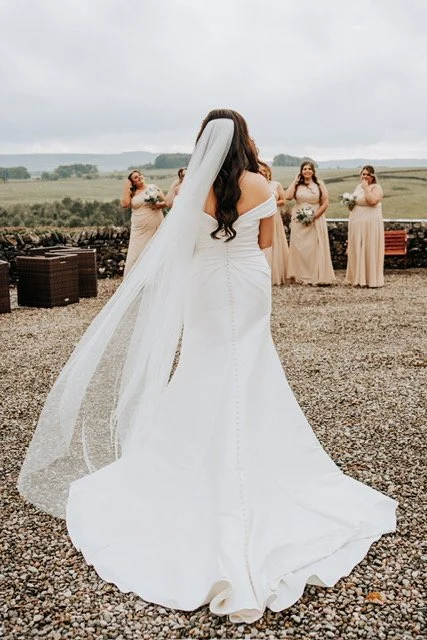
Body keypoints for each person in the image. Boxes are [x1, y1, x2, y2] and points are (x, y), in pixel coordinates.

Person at [18, 110, 397, 624]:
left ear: (203, 143)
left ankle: (193, 449)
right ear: (244, 140)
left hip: (203, 284)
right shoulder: (261, 184)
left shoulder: (186, 192)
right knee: (251, 363)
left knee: (201, 361)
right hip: (246, 279)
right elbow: (265, 245)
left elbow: (180, 244)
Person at [286, 162, 335, 285]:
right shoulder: (297, 185)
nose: (307, 171)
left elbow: (325, 202)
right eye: (304, 169)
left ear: (313, 171)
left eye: (309, 169)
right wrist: (295, 181)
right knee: (299, 247)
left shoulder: (319, 184)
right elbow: (288, 196)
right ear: (301, 171)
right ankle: (299, 276)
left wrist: (314, 217)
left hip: (315, 219)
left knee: (313, 247)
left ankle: (315, 276)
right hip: (299, 220)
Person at [121, 170, 166, 277]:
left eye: (140, 175)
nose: (139, 177)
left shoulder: (153, 187)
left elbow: (166, 201)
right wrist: (126, 187)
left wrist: (158, 205)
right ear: (133, 182)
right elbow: (125, 204)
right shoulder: (132, 193)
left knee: (156, 250)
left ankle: (156, 278)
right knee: (136, 253)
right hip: (139, 228)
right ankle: (133, 280)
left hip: (155, 223)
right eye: (135, 177)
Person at [346, 165, 385, 288]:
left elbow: (372, 201)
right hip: (357, 223)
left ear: (372, 176)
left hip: (370, 224)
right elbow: (355, 202)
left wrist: (366, 188)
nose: (365, 176)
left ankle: (370, 279)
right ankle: (358, 278)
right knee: (358, 247)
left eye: (367, 174)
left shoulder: (376, 188)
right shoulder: (358, 187)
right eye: (363, 174)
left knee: (369, 247)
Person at [259, 161, 289, 285]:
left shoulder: (276, 185)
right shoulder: (257, 185)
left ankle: (277, 273)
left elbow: (283, 201)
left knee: (275, 241)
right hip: (260, 215)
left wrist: (271, 204)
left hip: (274, 216)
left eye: (265, 171)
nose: (263, 173)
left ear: (269, 172)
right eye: (260, 171)